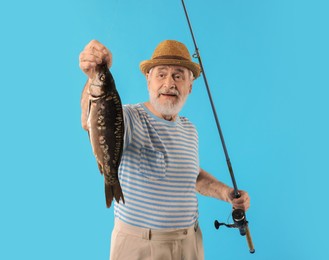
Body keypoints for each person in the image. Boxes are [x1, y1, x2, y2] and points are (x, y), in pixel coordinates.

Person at [79, 39, 250, 260]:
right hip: (140, 246)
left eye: (178, 76)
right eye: (161, 74)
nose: (169, 83)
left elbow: (193, 176)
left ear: (190, 85)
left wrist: (227, 194)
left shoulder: (189, 129)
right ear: (148, 80)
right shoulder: (130, 117)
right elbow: (91, 120)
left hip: (190, 244)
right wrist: (94, 75)